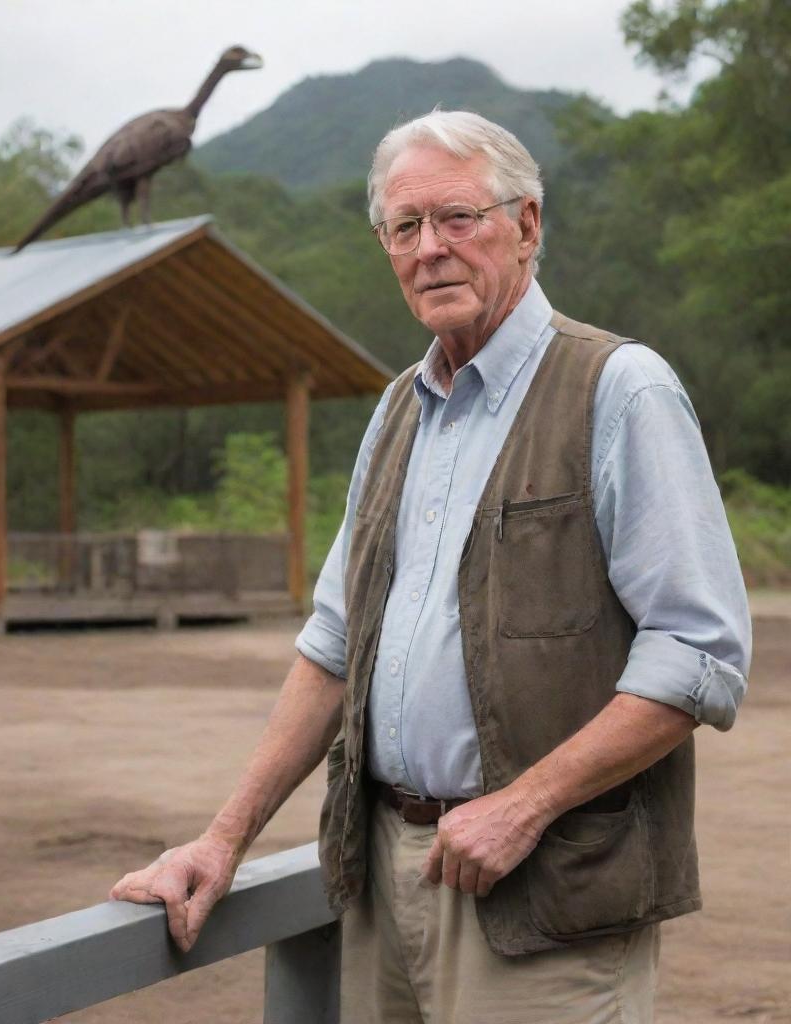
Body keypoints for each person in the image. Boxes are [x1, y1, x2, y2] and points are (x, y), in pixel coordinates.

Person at [110, 110, 751, 1023]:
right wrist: (223, 841)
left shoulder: (618, 388)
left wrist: (522, 806)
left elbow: (700, 654)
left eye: (459, 219)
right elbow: (335, 643)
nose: (431, 250)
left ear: (527, 225)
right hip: (380, 878)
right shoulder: (397, 412)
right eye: (405, 228)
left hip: (545, 885)